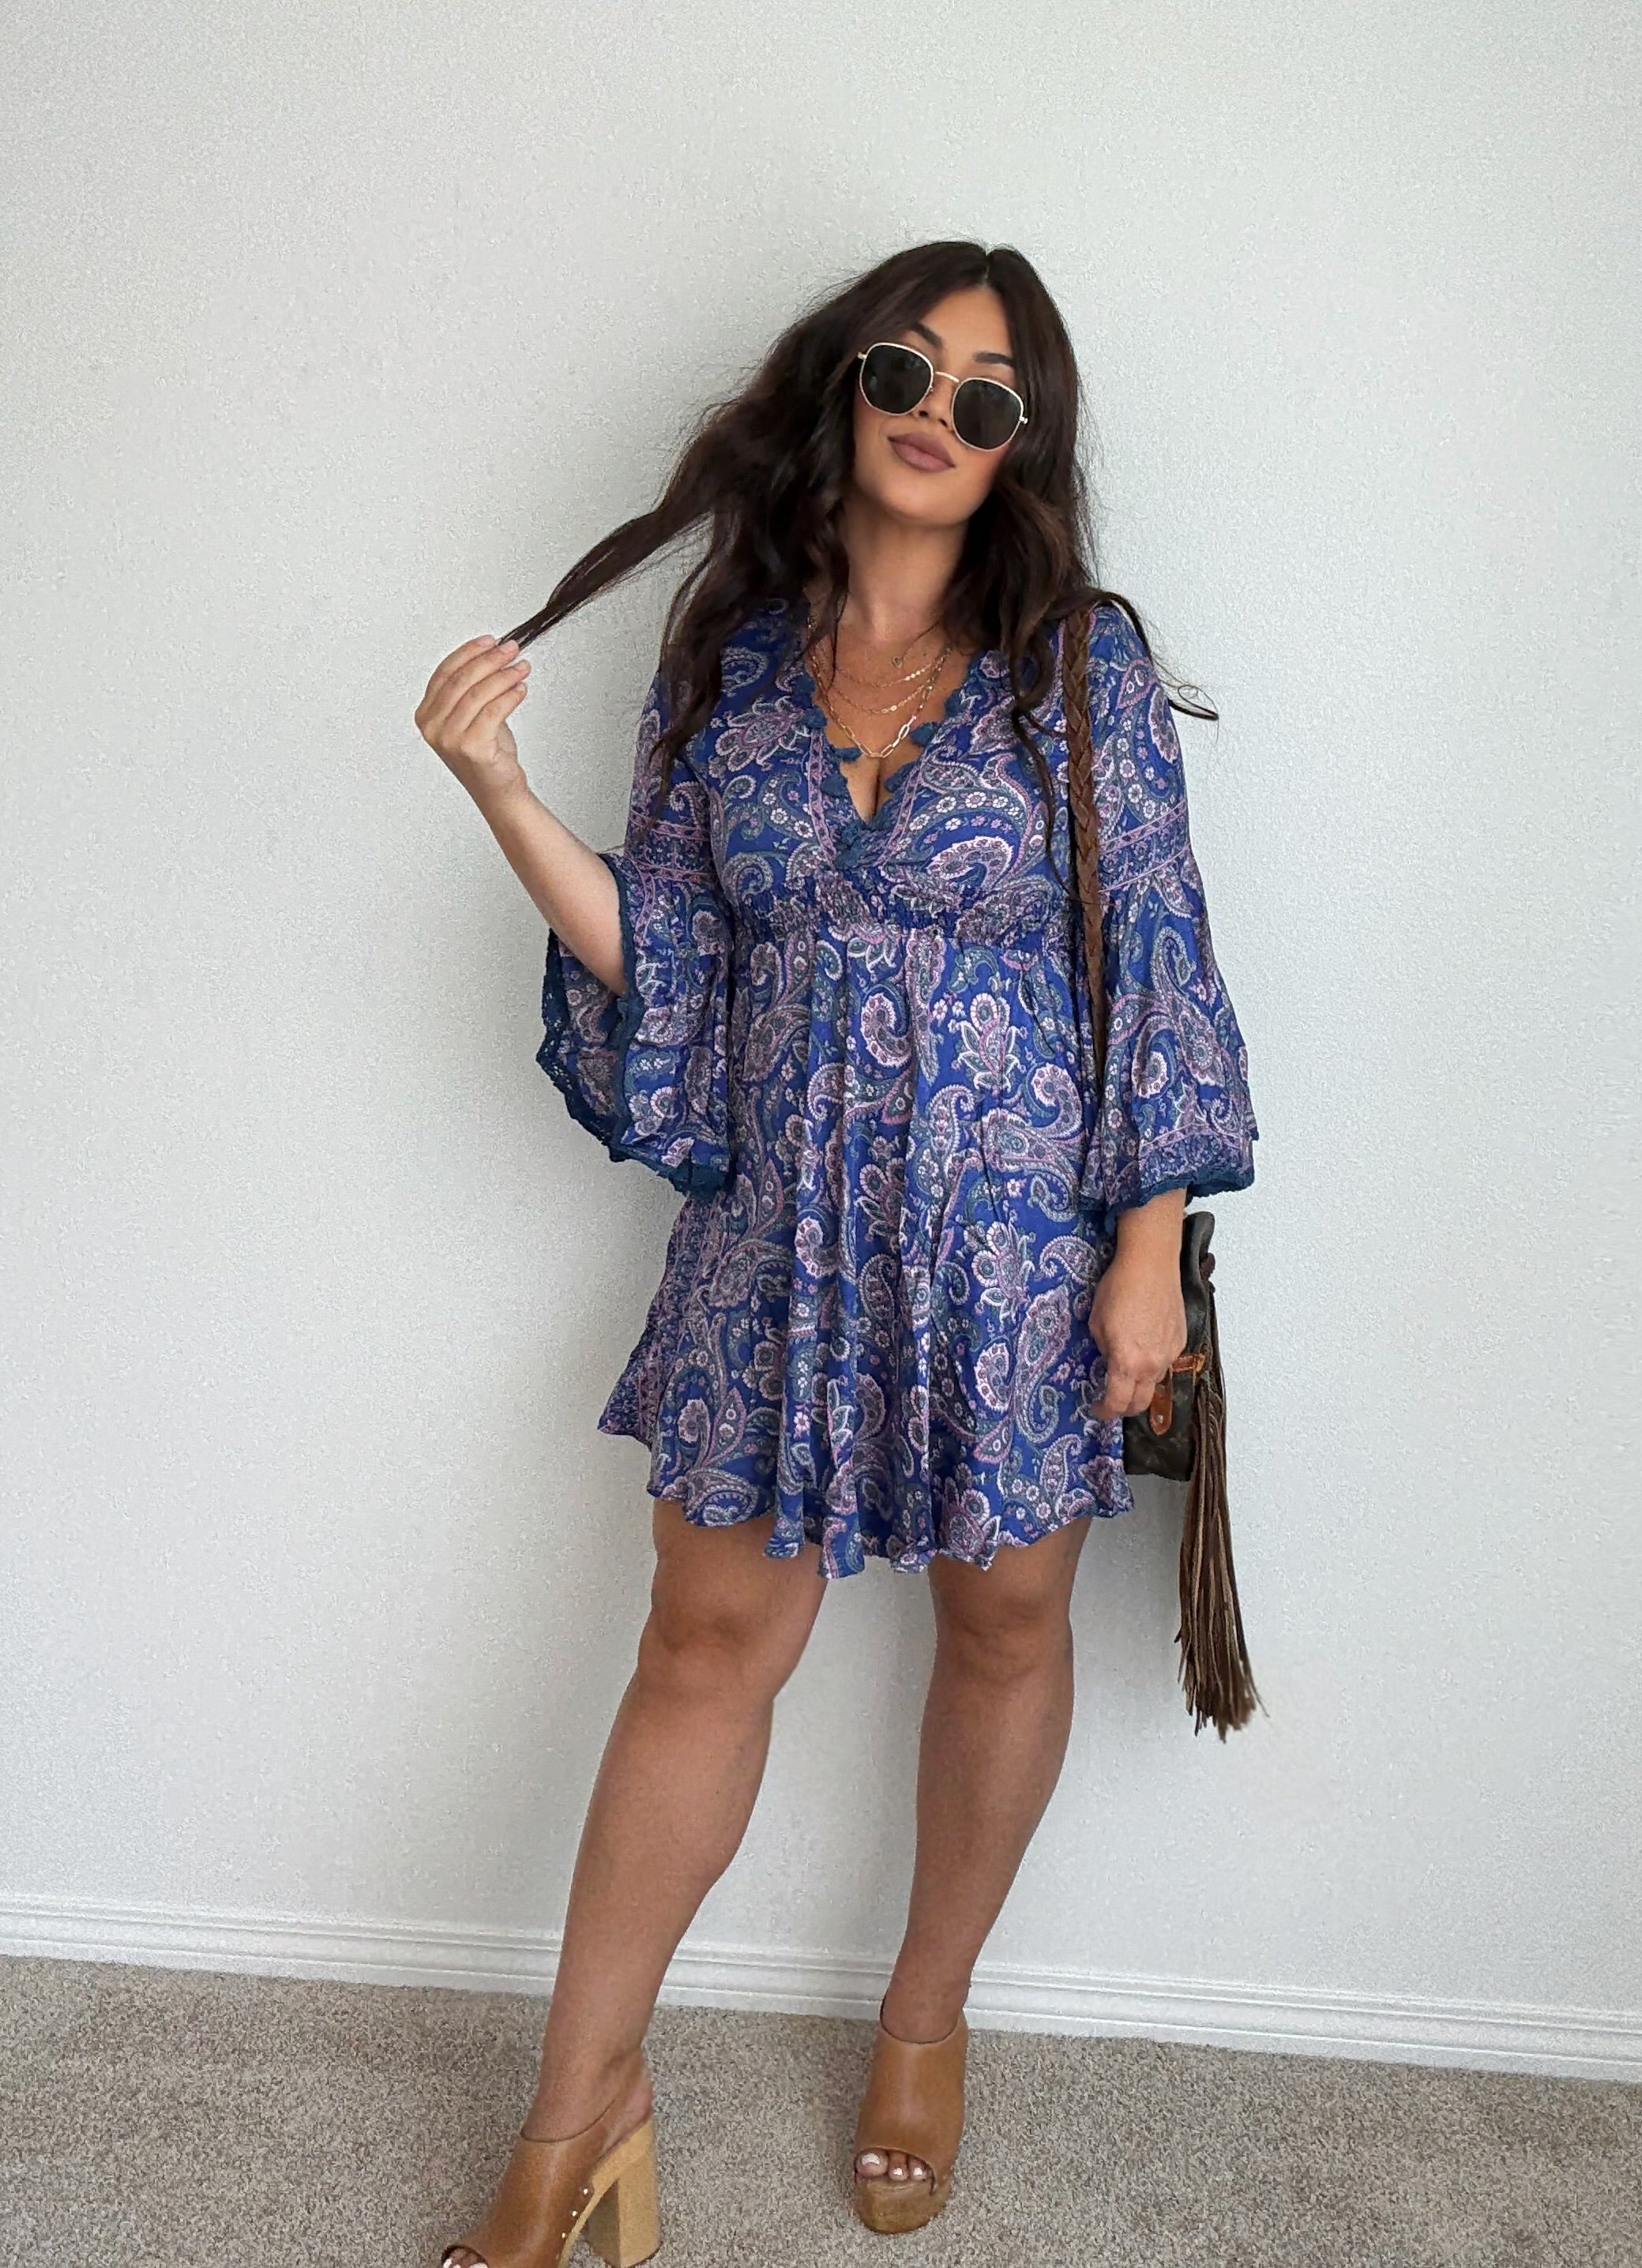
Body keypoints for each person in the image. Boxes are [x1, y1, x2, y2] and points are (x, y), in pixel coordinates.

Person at [415, 238, 1258, 2268]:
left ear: (1023, 444)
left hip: (1014, 1236)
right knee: (700, 1643)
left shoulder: (1077, 665)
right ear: (845, 381)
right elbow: (673, 971)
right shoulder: (727, 661)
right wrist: (499, 792)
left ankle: (923, 2012)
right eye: (906, 368)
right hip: (774, 1234)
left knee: (1002, 1624)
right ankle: (576, 2112)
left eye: (987, 394)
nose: (936, 412)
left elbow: (1152, 946)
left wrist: (1146, 1246)